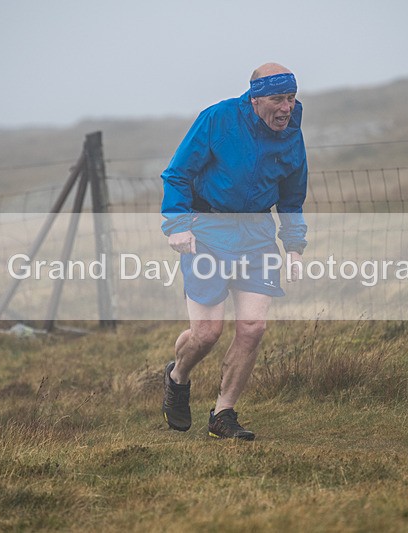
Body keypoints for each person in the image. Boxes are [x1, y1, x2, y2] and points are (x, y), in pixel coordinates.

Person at [160, 62, 308, 440]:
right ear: (256, 98)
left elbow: (292, 197)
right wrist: (177, 225)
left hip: (257, 235)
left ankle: (222, 415)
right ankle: (177, 377)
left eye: (291, 98)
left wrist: (293, 246)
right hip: (208, 230)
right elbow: (176, 173)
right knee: (207, 333)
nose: (286, 107)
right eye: (278, 99)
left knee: (253, 328)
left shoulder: (292, 132)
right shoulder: (218, 119)